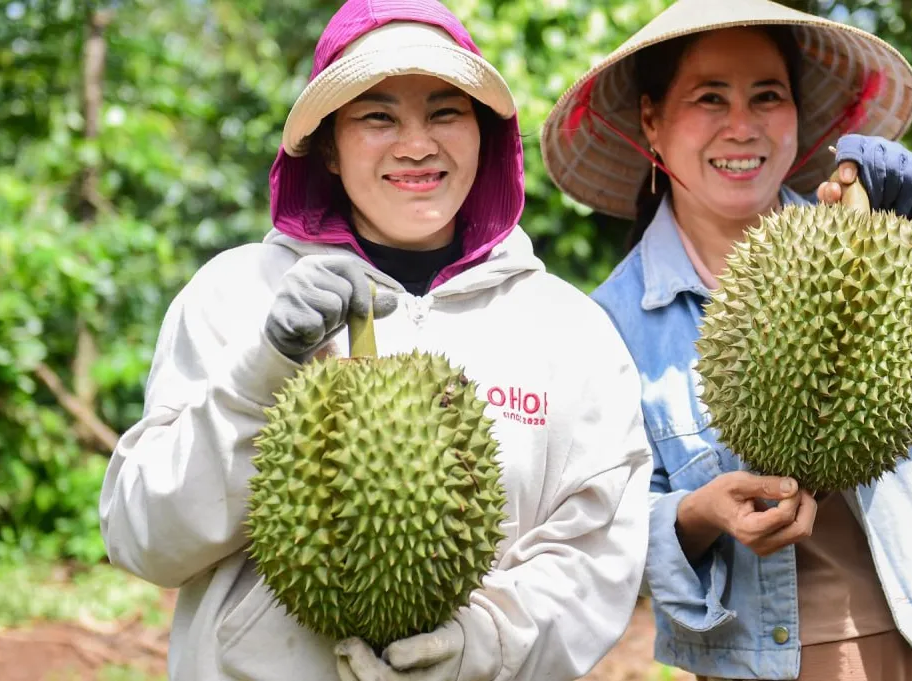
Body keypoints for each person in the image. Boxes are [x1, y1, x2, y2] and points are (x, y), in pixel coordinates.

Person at [98, 1, 653, 680]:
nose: (416, 144)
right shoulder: (234, 295)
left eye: (446, 112)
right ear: (327, 145)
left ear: (483, 134)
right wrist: (259, 375)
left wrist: (485, 643)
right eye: (377, 116)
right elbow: (141, 539)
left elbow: (596, 551)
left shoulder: (567, 329)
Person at [538, 0, 912, 679]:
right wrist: (695, 514)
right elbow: (596, 530)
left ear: (797, 114)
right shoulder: (608, 325)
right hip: (769, 661)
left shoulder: (876, 237)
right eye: (709, 98)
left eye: (766, 96)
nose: (741, 126)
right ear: (651, 120)